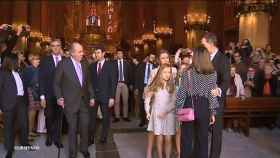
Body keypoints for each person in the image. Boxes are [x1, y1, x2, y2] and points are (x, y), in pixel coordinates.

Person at [176, 47, 219, 158]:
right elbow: (212, 94)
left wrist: (178, 110)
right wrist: (213, 112)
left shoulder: (188, 72)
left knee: (186, 140)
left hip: (189, 105)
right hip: (204, 107)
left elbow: (181, 93)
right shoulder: (212, 73)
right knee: (203, 140)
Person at [54, 42, 94, 158]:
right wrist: (59, 97)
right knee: (72, 128)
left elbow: (88, 82)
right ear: (72, 53)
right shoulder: (63, 64)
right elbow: (56, 83)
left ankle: (84, 148)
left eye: (82, 51)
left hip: (84, 101)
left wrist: (91, 96)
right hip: (69, 102)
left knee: (85, 126)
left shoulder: (85, 63)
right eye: (80, 51)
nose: (83, 53)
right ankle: (73, 153)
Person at [201, 32, 230, 158]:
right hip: (202, 99)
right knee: (201, 129)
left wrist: (218, 90)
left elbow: (226, 80)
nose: (202, 46)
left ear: (210, 43)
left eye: (203, 43)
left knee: (216, 132)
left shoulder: (223, 59)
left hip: (216, 100)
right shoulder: (204, 57)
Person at [144, 50, 177, 158]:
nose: (165, 60)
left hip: (169, 111)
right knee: (157, 134)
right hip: (157, 108)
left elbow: (174, 99)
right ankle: (155, 154)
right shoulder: (154, 72)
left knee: (168, 137)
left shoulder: (173, 72)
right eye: (163, 58)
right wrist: (147, 110)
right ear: (159, 60)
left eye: (167, 58)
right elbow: (148, 92)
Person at [0, 54, 30, 158]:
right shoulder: (3, 73)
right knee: (8, 127)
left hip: (21, 101)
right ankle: (9, 149)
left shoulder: (19, 71)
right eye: (17, 60)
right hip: (8, 103)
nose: (18, 62)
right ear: (11, 61)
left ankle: (24, 143)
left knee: (24, 123)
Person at [89, 45, 117, 144]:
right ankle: (90, 138)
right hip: (94, 97)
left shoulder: (111, 65)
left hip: (106, 96)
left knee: (105, 118)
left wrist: (112, 97)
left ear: (103, 53)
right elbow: (90, 82)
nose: (96, 54)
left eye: (98, 52)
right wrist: (91, 97)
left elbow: (113, 82)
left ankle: (103, 137)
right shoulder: (92, 66)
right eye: (95, 53)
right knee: (91, 119)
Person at [39, 39, 64, 148]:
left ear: (60, 47)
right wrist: (42, 97)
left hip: (62, 95)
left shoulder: (66, 60)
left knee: (59, 117)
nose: (55, 48)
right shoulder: (45, 60)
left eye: (58, 46)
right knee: (49, 116)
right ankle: (49, 136)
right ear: (50, 47)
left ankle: (58, 139)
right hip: (49, 94)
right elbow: (41, 79)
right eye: (53, 46)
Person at [23, 54, 41, 141]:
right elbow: (25, 83)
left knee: (34, 114)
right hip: (30, 92)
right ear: (31, 60)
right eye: (36, 59)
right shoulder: (28, 69)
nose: (38, 61)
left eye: (38, 59)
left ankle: (31, 131)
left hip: (36, 93)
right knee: (31, 114)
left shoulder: (37, 69)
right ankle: (28, 133)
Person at [134, 53, 156, 127]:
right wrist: (136, 87)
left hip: (152, 87)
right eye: (151, 57)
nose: (152, 59)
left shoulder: (155, 67)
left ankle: (150, 121)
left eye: (153, 58)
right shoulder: (141, 65)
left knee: (151, 104)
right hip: (142, 86)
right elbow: (137, 76)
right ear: (148, 57)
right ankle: (142, 121)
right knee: (141, 104)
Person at [113, 49, 132, 122]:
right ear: (117, 55)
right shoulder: (113, 63)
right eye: (118, 54)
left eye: (121, 53)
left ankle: (125, 116)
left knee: (125, 101)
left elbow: (130, 74)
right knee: (116, 101)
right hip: (116, 84)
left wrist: (130, 84)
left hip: (124, 84)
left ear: (123, 54)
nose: (119, 55)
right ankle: (117, 117)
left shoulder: (127, 63)